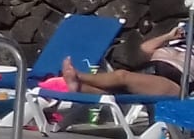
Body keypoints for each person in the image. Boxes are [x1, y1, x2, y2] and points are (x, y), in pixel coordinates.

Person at [60, 23, 191, 98]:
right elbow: (145, 48)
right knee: (114, 90)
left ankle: (79, 76)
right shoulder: (175, 43)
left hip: (175, 83)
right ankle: (79, 87)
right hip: (148, 73)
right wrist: (168, 36)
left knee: (122, 76)